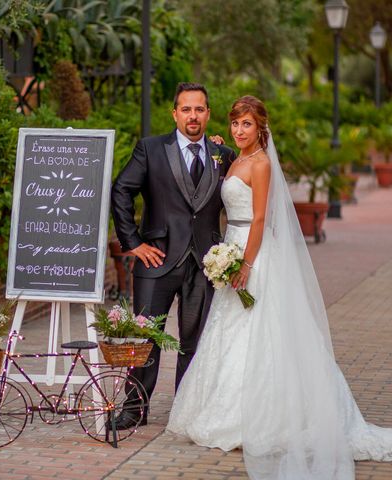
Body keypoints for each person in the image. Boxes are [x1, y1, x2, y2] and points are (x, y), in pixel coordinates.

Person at [167, 95, 392, 479]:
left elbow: (257, 220)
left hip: (251, 254)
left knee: (266, 334)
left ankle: (268, 417)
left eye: (247, 124)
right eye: (236, 123)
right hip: (232, 249)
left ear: (261, 128)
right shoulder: (233, 157)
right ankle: (224, 411)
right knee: (229, 332)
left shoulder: (262, 164)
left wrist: (246, 263)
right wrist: (220, 147)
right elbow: (219, 170)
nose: (240, 130)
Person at [111, 82, 235, 429]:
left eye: (199, 109)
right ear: (175, 113)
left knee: (194, 342)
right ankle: (135, 407)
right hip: (157, 260)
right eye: (186, 109)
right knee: (145, 337)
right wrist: (133, 241)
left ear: (208, 114)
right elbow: (122, 189)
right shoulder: (150, 149)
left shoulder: (223, 156)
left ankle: (186, 409)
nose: (192, 116)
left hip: (206, 263)